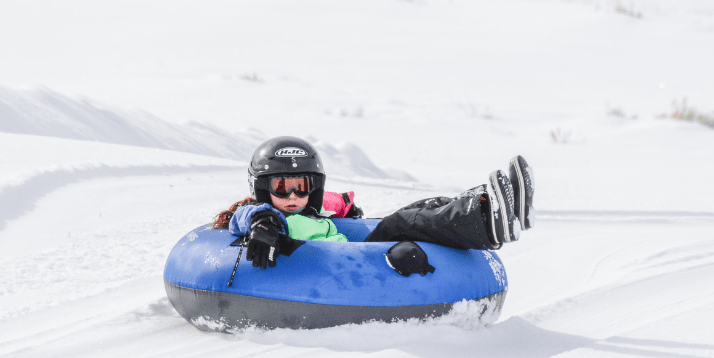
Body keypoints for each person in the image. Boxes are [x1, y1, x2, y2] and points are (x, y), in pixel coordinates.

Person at [213, 136, 534, 271]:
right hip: (347, 266)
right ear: (262, 190)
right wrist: (263, 226)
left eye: (302, 186)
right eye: (280, 188)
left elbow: (336, 202)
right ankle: (484, 221)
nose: (293, 196)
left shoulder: (309, 208)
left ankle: (489, 205)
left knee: (419, 208)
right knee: (401, 225)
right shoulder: (264, 216)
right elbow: (243, 217)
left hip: (352, 257)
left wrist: (348, 209)